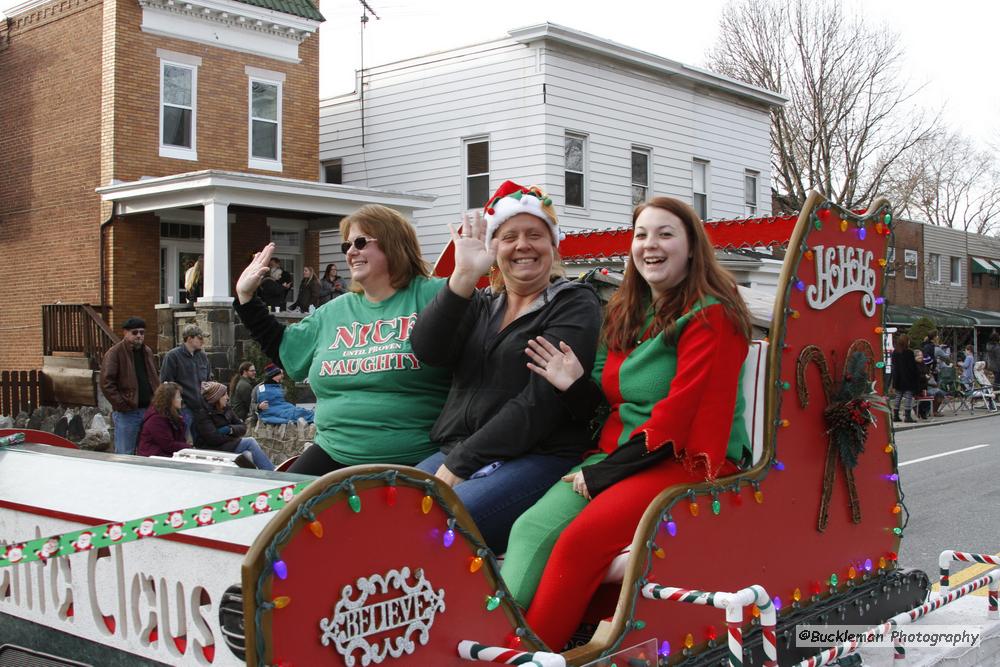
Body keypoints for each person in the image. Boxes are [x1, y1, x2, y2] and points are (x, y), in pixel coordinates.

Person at [498, 196, 753, 649]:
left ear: (692, 247)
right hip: (621, 457)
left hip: (684, 460)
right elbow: (604, 406)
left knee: (579, 544)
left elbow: (679, 418)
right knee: (530, 528)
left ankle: (528, 655)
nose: (650, 245)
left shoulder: (714, 314)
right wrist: (573, 384)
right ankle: (495, 638)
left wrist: (604, 474)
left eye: (665, 234)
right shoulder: (626, 312)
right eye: (641, 235)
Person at [410, 181, 603, 553]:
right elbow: (428, 351)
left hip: (537, 455)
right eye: (508, 236)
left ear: (553, 244)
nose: (522, 245)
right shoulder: (481, 302)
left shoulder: (573, 303)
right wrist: (462, 279)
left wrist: (463, 463)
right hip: (459, 449)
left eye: (535, 234)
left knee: (439, 525)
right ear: (493, 247)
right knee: (383, 509)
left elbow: (540, 402)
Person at [233, 204, 451, 476]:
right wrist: (246, 299)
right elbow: (286, 349)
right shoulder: (333, 312)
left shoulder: (435, 295)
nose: (351, 252)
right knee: (280, 507)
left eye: (361, 242)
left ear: (394, 243)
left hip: (413, 456)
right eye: (346, 246)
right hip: (333, 451)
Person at [99, 316, 160, 455]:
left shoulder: (147, 352)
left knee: (146, 452)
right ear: (125, 333)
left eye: (142, 332)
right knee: (125, 454)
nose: (139, 335)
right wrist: (122, 405)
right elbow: (106, 383)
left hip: (149, 411)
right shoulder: (115, 353)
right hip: (127, 413)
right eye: (135, 332)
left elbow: (154, 377)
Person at [192, 381, 275, 470]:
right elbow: (213, 439)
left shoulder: (226, 408)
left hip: (227, 444)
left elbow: (243, 427)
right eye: (224, 395)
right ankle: (271, 472)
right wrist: (233, 436)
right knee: (250, 442)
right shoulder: (203, 414)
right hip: (214, 448)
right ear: (216, 398)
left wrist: (230, 429)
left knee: (247, 455)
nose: (227, 398)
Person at [159, 324, 212, 435]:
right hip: (183, 409)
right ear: (189, 338)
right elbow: (166, 384)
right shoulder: (172, 356)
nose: (203, 341)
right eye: (200, 338)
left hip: (201, 409)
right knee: (183, 443)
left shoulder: (203, 357)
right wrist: (179, 405)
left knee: (201, 445)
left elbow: (208, 379)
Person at [136, 382, 189, 458]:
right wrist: (188, 447)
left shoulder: (173, 415)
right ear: (169, 400)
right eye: (178, 397)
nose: (181, 399)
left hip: (164, 455)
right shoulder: (156, 419)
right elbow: (168, 444)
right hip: (153, 457)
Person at [890, 334, 920, 423]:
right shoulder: (909, 352)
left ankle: (895, 415)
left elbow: (894, 365)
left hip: (898, 377)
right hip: (908, 377)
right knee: (908, 396)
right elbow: (912, 367)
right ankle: (907, 416)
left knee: (898, 396)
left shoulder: (895, 352)